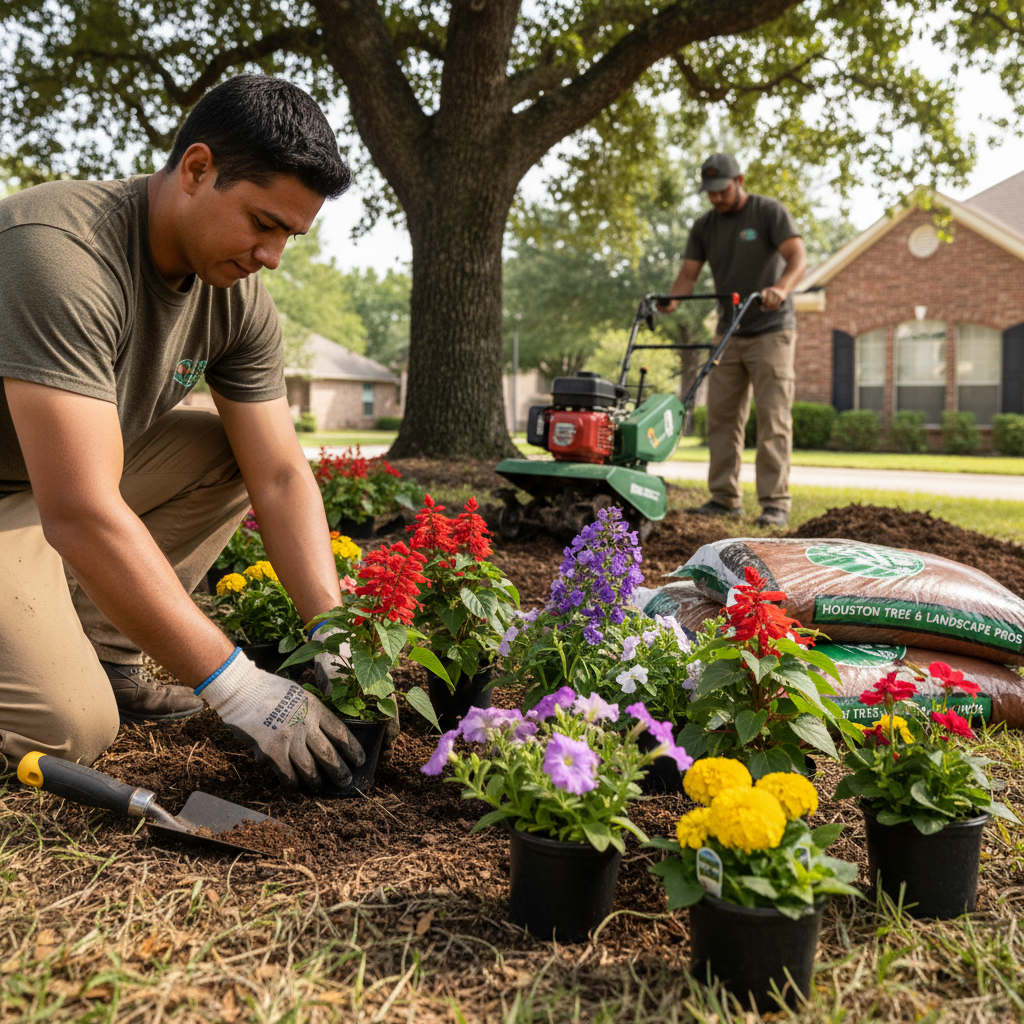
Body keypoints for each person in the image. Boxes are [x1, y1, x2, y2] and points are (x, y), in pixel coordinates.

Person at [0, 75, 365, 792]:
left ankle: (108, 657)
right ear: (197, 169)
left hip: (49, 493)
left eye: (289, 235)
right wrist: (238, 686)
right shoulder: (58, 255)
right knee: (70, 729)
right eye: (263, 223)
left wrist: (335, 631)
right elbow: (79, 511)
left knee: (222, 448)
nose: (273, 257)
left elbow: (282, 476)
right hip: (38, 498)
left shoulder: (235, 297)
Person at [659, 154, 807, 527]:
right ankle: (724, 498)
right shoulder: (705, 226)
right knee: (722, 417)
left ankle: (775, 503)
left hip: (771, 328)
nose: (716, 198)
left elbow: (797, 258)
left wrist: (781, 289)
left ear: (739, 180)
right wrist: (672, 300)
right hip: (728, 330)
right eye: (710, 192)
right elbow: (688, 275)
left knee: (773, 417)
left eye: (722, 190)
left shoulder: (768, 212)